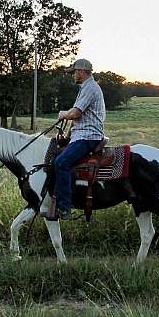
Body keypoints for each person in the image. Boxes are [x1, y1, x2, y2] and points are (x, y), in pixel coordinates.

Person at [42, 58, 106, 220]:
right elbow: (78, 119)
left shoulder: (90, 88)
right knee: (56, 157)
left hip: (88, 137)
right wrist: (68, 137)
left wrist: (62, 114)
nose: (72, 75)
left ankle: (65, 207)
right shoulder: (85, 88)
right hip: (81, 135)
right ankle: (53, 199)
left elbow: (75, 114)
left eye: (74, 72)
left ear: (82, 72)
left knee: (61, 163)